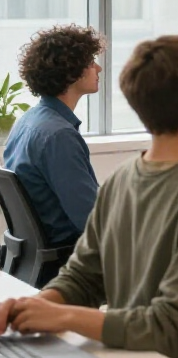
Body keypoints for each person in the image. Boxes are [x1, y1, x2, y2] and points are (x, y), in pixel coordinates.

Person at [0, 34, 178, 358]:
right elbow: (86, 276)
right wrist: (41, 305)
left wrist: (62, 317)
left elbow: (172, 329)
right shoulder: (126, 181)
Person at [3, 25, 104, 255]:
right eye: (90, 63)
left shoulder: (28, 121)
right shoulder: (59, 136)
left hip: (34, 260)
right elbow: (93, 223)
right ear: (71, 71)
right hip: (69, 261)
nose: (98, 68)